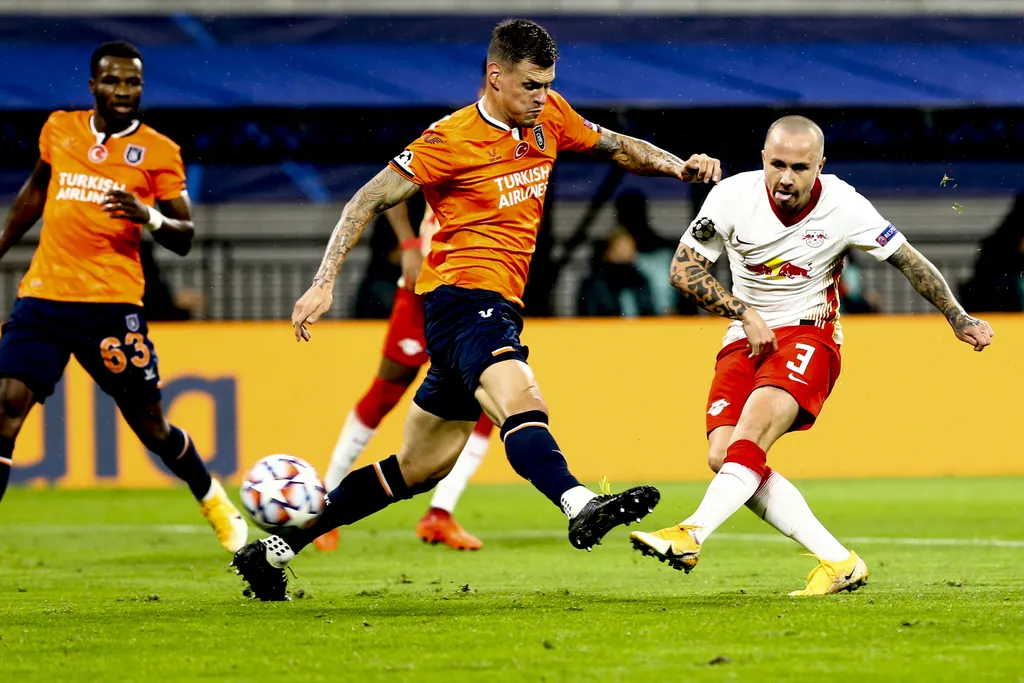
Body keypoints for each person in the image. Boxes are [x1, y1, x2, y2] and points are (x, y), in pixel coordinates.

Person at [231, 18, 721, 600]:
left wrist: (677, 166)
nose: (542, 96)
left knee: (419, 466)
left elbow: (617, 146)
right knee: (521, 398)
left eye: (548, 84)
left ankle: (271, 553)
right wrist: (322, 282)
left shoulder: (550, 117)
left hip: (492, 304)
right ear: (496, 76)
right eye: (531, 85)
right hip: (462, 299)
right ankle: (579, 502)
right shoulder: (448, 139)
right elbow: (366, 198)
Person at [629, 115, 993, 596]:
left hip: (809, 335)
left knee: (753, 432)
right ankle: (839, 561)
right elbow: (683, 270)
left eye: (799, 168)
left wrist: (957, 315)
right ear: (762, 158)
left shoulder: (844, 204)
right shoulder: (732, 196)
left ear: (820, 165)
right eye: (776, 164)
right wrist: (744, 312)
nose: (785, 178)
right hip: (745, 335)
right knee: (725, 455)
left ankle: (691, 533)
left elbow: (906, 258)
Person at [0, 41, 247, 554]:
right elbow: (34, 193)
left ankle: (209, 493)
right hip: (45, 296)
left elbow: (184, 236)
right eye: (112, 81)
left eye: (132, 82)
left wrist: (148, 215)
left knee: (152, 427)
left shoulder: (158, 151)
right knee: (5, 408)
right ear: (93, 86)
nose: (123, 91)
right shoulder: (59, 129)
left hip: (111, 304)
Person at [315, 200, 493, 553]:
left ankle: (439, 515)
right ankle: (322, 508)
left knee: (487, 402)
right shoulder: (445, 145)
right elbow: (394, 186)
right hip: (422, 292)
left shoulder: (514, 162)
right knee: (384, 393)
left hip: (473, 296)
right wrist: (411, 245)